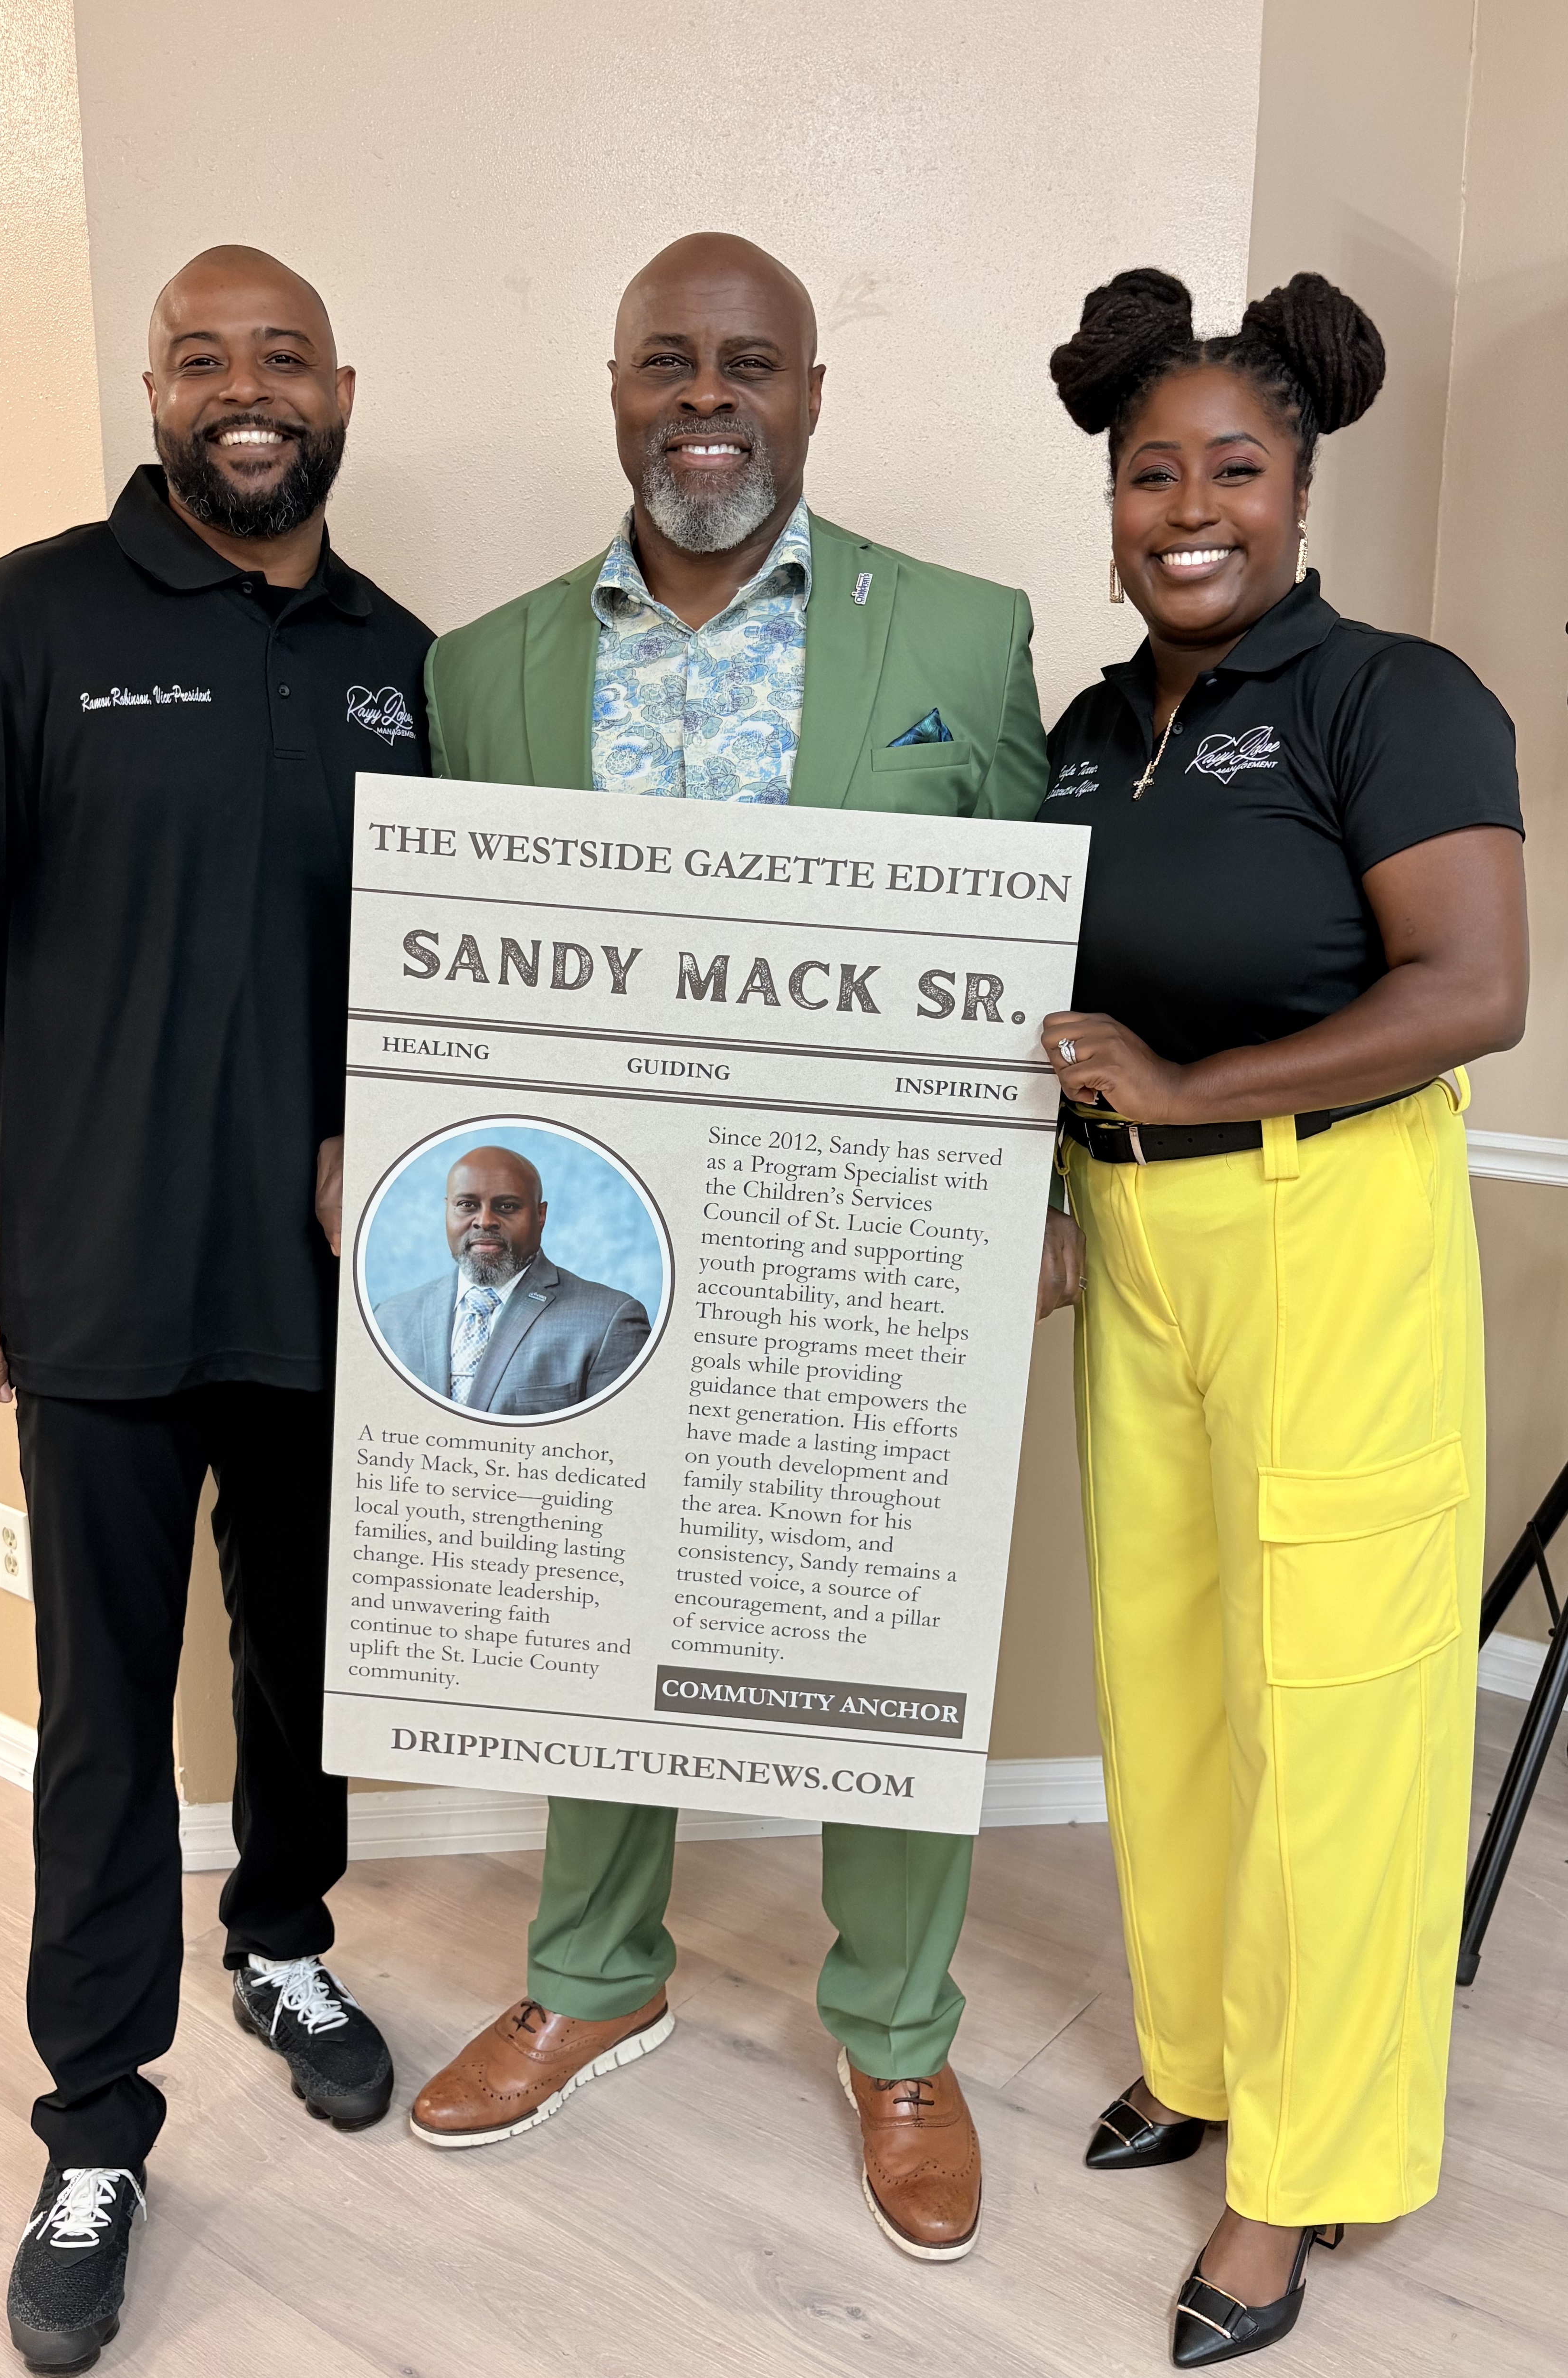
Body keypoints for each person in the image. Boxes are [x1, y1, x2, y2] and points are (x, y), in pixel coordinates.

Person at [403, 231, 1049, 2263]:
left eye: (748, 363)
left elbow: (1034, 937)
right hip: (617, 1237)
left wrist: (1028, 1191)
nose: (709, 398)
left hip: (864, 1242)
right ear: (614, 390)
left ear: (810, 393)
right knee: (598, 1609)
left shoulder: (958, 634)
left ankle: (897, 2030)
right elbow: (459, 986)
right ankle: (597, 1973)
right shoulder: (483, 663)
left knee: (884, 1626)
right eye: (668, 362)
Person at [0, 245, 432, 2373]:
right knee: (109, 1724)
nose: (248, 391)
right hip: (95, 1290)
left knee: (310, 1670)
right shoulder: (23, 622)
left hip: (333, 1292)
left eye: (284, 355)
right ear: (158, 387)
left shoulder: (401, 663)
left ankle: (282, 1940)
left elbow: (462, 972)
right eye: (207, 360)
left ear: (342, 384)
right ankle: (95, 2122)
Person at [1035, 268, 1526, 2365]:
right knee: (1169, 1678)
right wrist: (1062, 1175)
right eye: (1151, 472)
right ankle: (1215, 2048)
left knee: (1335, 1706)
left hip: (1331, 1236)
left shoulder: (1391, 696)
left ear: (1300, 482)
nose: (1186, 506)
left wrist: (1180, 1090)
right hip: (1136, 1250)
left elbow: (1466, 994)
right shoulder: (1083, 736)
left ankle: (1296, 2172)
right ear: (1113, 499)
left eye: (1230, 465)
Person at [374, 1146, 650, 1413]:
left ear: (540, 1215)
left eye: (507, 1206)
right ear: (447, 1210)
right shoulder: (390, 1319)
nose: (484, 1221)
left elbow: (613, 1448)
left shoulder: (610, 1321)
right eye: (467, 1205)